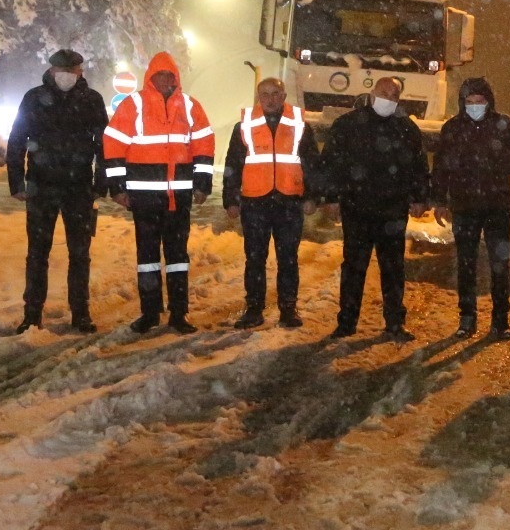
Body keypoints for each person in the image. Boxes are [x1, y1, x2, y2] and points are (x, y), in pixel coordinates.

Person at [102, 51, 214, 335]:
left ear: (176, 77)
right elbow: (113, 145)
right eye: (159, 75)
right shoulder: (133, 105)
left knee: (177, 258)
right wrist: (117, 187)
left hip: (178, 198)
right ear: (150, 78)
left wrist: (202, 183)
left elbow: (204, 145)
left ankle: (179, 314)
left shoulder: (190, 106)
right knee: (148, 258)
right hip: (144, 199)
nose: (165, 79)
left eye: (169, 75)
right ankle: (150, 313)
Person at [7, 48, 108, 334]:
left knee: (80, 253)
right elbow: (16, 139)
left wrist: (101, 183)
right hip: (41, 186)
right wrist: (17, 182)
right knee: (37, 253)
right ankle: (32, 313)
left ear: (81, 72)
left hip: (78, 188)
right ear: (51, 71)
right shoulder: (34, 98)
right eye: (62, 71)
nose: (67, 76)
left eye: (73, 71)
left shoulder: (91, 100)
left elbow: (104, 145)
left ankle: (81, 312)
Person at [322, 76, 431, 341]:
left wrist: (419, 197)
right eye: (384, 92)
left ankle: (395, 323)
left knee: (393, 268)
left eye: (394, 95)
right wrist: (330, 198)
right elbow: (331, 164)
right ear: (371, 93)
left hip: (392, 212)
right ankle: (347, 322)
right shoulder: (347, 125)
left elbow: (418, 168)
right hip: (356, 208)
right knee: (354, 267)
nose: (388, 98)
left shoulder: (407, 129)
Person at [432, 76, 510, 341]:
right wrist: (440, 200)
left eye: (480, 101)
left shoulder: (505, 126)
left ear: (489, 101)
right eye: (470, 101)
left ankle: (500, 321)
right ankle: (467, 317)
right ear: (462, 103)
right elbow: (441, 168)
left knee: (500, 265)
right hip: (464, 207)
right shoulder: (452, 129)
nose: (475, 105)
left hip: (496, 205)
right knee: (466, 264)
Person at [221, 78, 320, 330]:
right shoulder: (243, 126)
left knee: (288, 258)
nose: (270, 99)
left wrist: (312, 196)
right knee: (255, 259)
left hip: (289, 201)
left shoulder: (300, 126)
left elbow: (312, 163)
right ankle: (254, 309)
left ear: (284, 95)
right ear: (258, 96)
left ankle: (288, 309)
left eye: (276, 93)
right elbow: (233, 164)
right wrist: (230, 199)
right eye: (265, 94)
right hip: (255, 202)